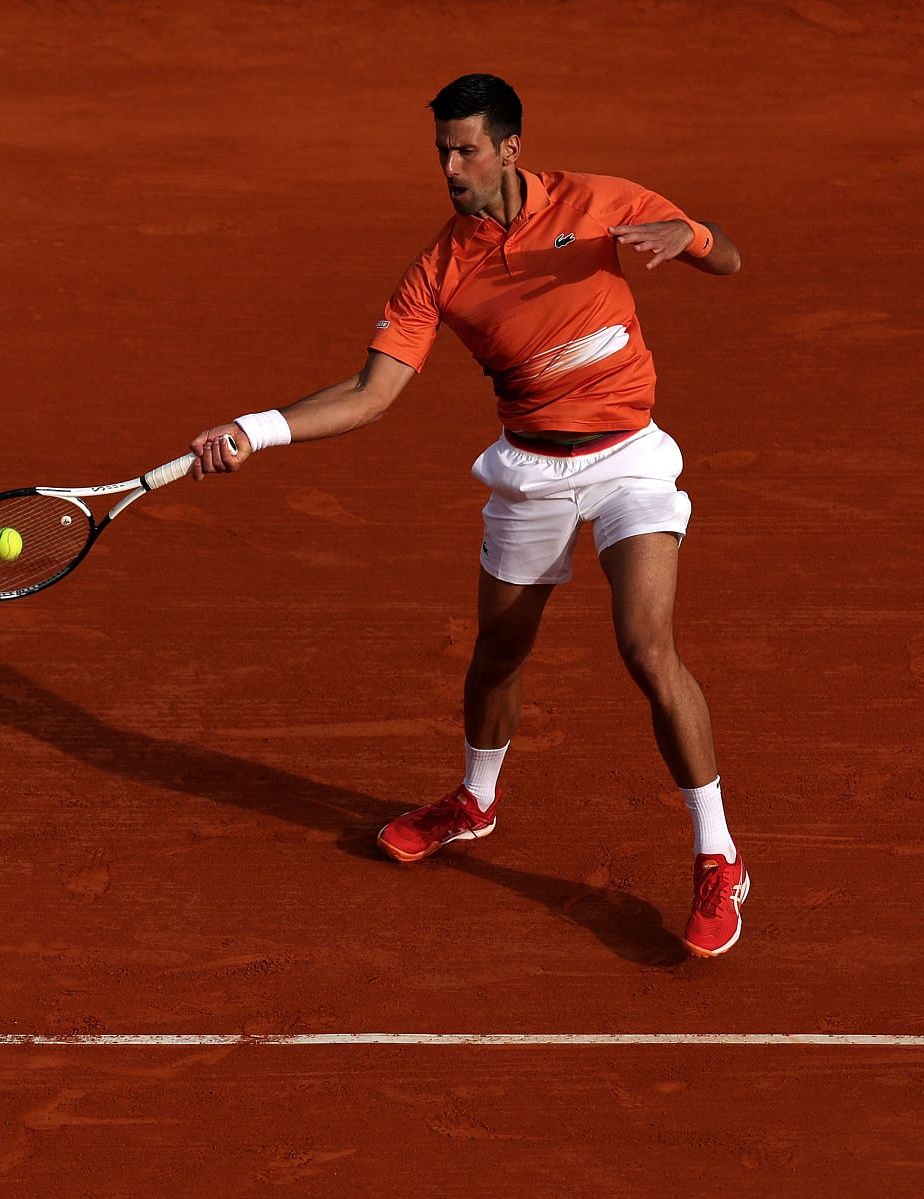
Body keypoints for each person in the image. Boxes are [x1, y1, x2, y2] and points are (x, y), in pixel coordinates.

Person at [186, 73, 749, 958]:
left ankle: (718, 854)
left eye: (466, 148)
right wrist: (255, 431)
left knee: (646, 645)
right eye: (442, 149)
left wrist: (692, 235)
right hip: (529, 472)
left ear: (510, 148)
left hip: (628, 458)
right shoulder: (438, 271)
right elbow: (372, 394)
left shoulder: (601, 201)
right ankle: (475, 799)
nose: (450, 165)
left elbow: (728, 261)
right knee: (497, 654)